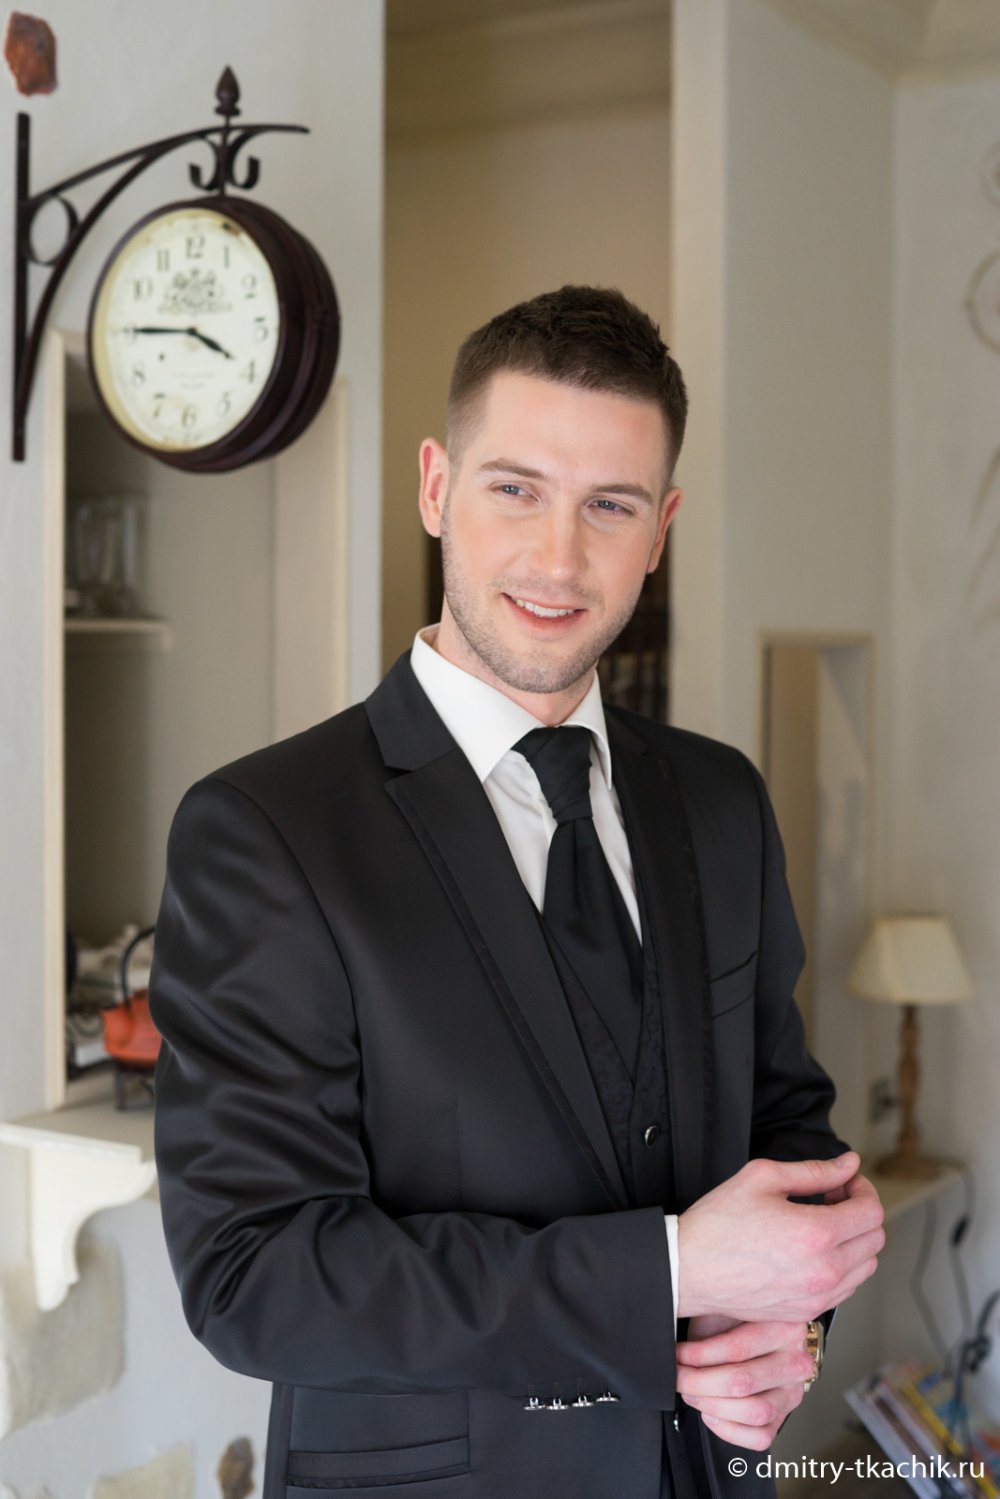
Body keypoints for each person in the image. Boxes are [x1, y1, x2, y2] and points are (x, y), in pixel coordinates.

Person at [150, 285, 885, 1499]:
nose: (559, 557)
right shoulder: (267, 830)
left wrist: (781, 1326)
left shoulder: (719, 799)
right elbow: (255, 1274)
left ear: (661, 528)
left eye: (610, 504)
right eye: (515, 488)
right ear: (436, 486)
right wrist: (667, 1273)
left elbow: (784, 1121)